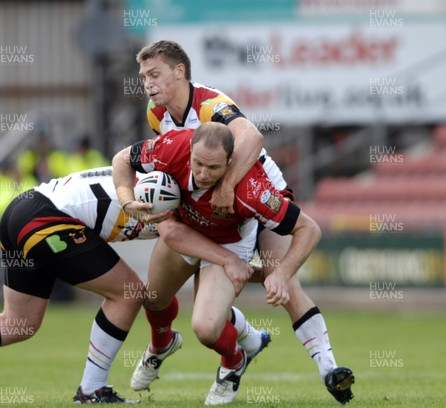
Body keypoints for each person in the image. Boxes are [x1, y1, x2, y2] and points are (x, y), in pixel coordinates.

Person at [0, 166, 256, 405]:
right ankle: (92, 389)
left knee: (19, 324)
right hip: (46, 218)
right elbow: (180, 242)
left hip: (22, 211)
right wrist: (233, 261)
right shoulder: (179, 191)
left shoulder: (169, 176)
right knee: (128, 293)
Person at [133, 40, 355, 404]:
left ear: (179, 72)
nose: (147, 83)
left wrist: (228, 186)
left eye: (154, 74)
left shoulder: (209, 103)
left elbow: (251, 136)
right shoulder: (156, 115)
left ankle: (329, 369)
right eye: (143, 76)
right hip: (211, 207)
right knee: (160, 296)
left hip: (258, 197)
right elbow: (161, 166)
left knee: (281, 278)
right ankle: (238, 337)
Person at [113, 123, 338, 405]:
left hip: (228, 244)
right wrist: (126, 201)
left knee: (206, 329)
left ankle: (235, 360)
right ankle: (161, 345)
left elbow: (310, 229)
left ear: (230, 162)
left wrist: (281, 273)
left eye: (214, 168)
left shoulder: (253, 190)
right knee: (153, 300)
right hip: (186, 233)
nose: (204, 174)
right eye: (198, 164)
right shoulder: (171, 147)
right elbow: (122, 160)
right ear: (190, 150)